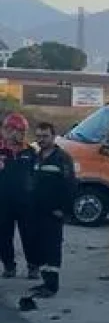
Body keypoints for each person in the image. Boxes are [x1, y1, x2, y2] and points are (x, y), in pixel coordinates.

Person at [28, 121, 76, 295]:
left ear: (54, 137)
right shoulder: (37, 156)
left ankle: (52, 286)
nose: (41, 140)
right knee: (39, 247)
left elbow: (70, 185)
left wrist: (64, 209)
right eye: (38, 136)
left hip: (54, 212)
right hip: (36, 211)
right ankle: (45, 281)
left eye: (45, 136)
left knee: (52, 248)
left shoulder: (62, 158)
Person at [0, 112, 38, 280]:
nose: (21, 135)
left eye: (23, 131)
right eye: (18, 130)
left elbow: (38, 178)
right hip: (3, 203)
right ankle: (9, 266)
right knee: (3, 236)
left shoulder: (30, 153)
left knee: (30, 236)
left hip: (26, 203)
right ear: (7, 130)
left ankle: (33, 266)